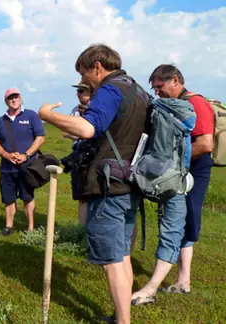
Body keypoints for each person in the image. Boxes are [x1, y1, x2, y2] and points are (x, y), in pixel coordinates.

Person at [38, 44, 149, 324]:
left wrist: (47, 115)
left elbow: (88, 128)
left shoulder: (111, 89)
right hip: (129, 181)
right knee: (122, 255)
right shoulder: (138, 91)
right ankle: (121, 316)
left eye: (85, 73)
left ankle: (123, 321)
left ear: (97, 66)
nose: (85, 81)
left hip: (108, 186)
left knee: (111, 260)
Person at [131, 64, 214, 305]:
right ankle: (183, 280)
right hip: (179, 170)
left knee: (183, 221)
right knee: (184, 222)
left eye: (160, 86)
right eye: (154, 88)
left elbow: (205, 144)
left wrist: (172, 165)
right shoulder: (170, 106)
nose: (157, 92)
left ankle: (167, 283)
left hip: (194, 171)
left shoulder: (195, 103)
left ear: (175, 80)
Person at [0, 88, 46, 236]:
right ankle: (8, 227)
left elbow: (40, 138)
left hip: (27, 166)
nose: (13, 100)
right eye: (10, 98)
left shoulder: (31, 115)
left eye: (16, 97)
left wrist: (26, 155)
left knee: (27, 197)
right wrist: (7, 155)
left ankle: (30, 228)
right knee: (8, 198)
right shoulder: (1, 121)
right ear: (6, 102)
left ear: (20, 98)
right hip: (7, 167)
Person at [63, 82, 93, 224]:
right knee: (81, 195)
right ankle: (82, 231)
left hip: (93, 158)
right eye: (78, 91)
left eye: (81, 91)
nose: (78, 94)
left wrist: (77, 134)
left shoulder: (96, 109)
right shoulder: (75, 110)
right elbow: (66, 132)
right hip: (78, 156)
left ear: (90, 92)